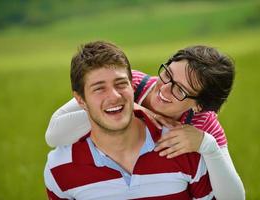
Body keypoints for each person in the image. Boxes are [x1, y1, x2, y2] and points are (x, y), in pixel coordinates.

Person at [45, 44, 245, 199]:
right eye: (168, 74)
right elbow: (53, 135)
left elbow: (234, 198)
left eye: (180, 90)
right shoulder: (128, 85)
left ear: (199, 106)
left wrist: (207, 145)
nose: (165, 88)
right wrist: (128, 108)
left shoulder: (203, 123)